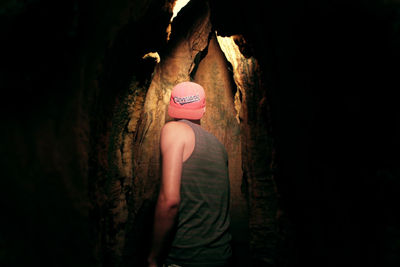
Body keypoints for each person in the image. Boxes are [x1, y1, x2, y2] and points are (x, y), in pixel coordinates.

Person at [147, 81, 232, 267]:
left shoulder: (173, 130)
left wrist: (153, 257)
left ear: (172, 106)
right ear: (203, 109)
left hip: (186, 256)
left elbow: (169, 202)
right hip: (221, 254)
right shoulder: (219, 147)